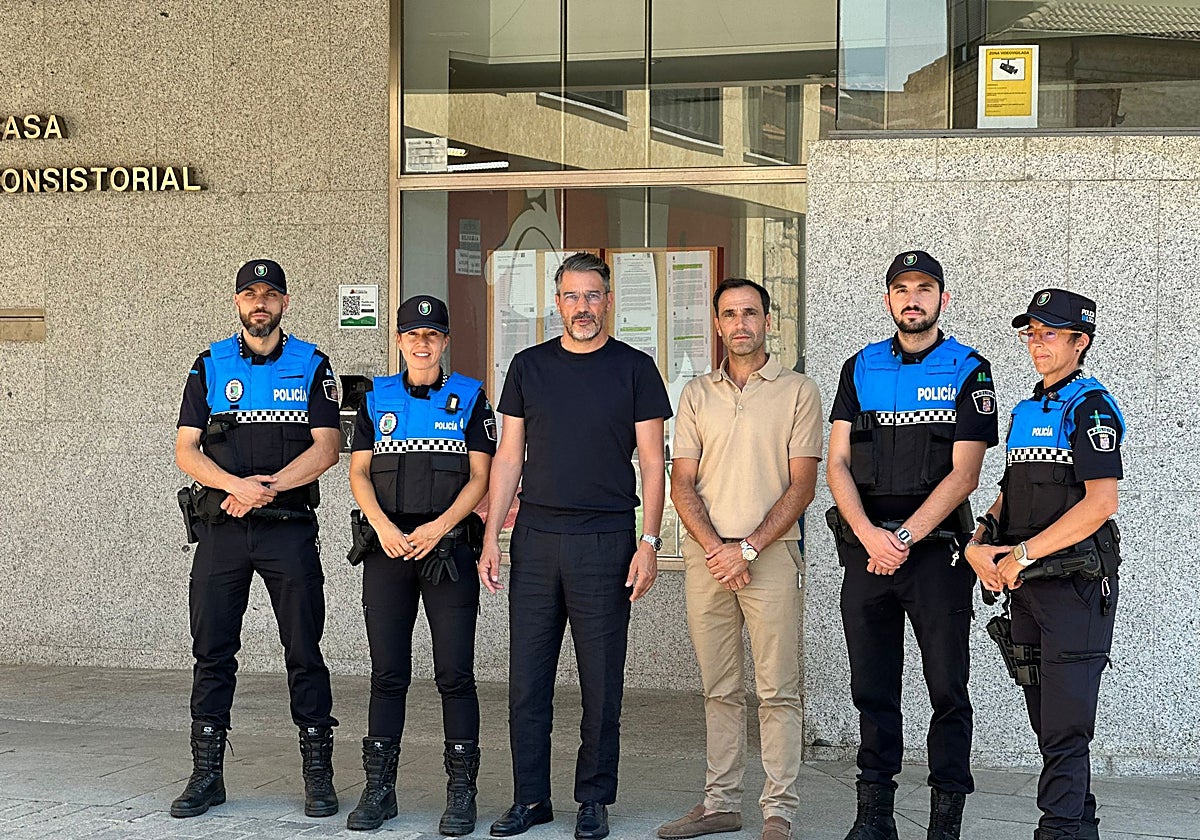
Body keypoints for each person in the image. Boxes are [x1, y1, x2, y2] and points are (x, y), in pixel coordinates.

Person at [478, 251, 672, 840]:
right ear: (556, 302)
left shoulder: (635, 369)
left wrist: (650, 543)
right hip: (535, 538)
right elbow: (509, 456)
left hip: (606, 539)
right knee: (527, 681)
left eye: (592, 296)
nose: (582, 307)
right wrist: (492, 535)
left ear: (608, 301)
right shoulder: (528, 366)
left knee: (601, 683)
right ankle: (530, 798)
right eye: (571, 296)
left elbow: (653, 465)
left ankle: (593, 798)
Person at [826, 251, 999, 840]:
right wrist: (872, 537)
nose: (913, 298)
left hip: (936, 557)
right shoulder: (860, 367)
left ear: (942, 299)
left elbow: (965, 475)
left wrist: (900, 538)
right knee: (872, 688)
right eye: (901, 289)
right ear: (888, 300)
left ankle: (944, 820)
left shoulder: (969, 368)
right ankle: (874, 816)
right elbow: (838, 463)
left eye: (924, 288)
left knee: (947, 688)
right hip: (868, 553)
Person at [172, 259, 342, 819]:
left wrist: (265, 489)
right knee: (213, 653)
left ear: (285, 303)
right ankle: (206, 776)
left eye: (270, 294)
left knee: (304, 652)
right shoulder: (209, 364)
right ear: (238, 302)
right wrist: (235, 487)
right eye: (250, 294)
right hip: (223, 531)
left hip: (288, 531)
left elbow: (326, 449)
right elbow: (186, 450)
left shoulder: (314, 364)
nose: (260, 302)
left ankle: (319, 777)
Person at [656, 279, 822, 840]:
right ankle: (721, 803)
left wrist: (747, 548)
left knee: (777, 689)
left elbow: (802, 486)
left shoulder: (799, 391)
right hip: (709, 557)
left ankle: (779, 811)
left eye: (751, 312)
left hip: (771, 556)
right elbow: (682, 485)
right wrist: (718, 550)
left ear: (768, 320)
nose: (741, 323)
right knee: (719, 687)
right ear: (718, 325)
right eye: (730, 314)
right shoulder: (697, 393)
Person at [965, 289, 1122, 840]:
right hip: (1024, 588)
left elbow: (1101, 502)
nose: (1036, 343)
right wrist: (979, 542)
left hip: (1075, 588)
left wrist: (1025, 555)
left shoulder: (1092, 406)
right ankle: (1081, 828)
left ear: (1081, 342)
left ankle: (1057, 833)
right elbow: (1010, 494)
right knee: (1049, 725)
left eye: (1049, 333)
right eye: (1031, 332)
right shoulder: (1028, 409)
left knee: (1065, 727)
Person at [344, 295, 496, 834]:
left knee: (454, 674)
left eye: (432, 334)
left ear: (446, 340)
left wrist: (437, 529)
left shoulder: (471, 397)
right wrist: (384, 528)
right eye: (413, 333)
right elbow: (358, 472)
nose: (423, 342)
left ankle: (461, 794)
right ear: (400, 340)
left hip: (447, 548)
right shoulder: (375, 398)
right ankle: (379, 790)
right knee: (387, 674)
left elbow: (481, 476)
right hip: (388, 549)